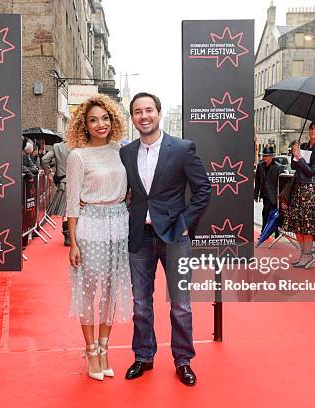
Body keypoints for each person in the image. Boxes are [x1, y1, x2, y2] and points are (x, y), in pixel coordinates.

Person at [120, 92, 211, 387]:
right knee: (140, 303)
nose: (143, 116)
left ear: (158, 113)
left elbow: (203, 190)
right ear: (132, 117)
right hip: (139, 237)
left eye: (149, 110)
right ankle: (144, 355)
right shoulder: (126, 152)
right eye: (137, 112)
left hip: (175, 236)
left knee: (181, 304)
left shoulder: (182, 149)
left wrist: (185, 223)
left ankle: (183, 360)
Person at [65, 94, 132, 382]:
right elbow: (71, 201)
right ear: (84, 124)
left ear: (113, 120)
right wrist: (73, 242)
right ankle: (90, 350)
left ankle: (105, 349)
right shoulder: (78, 156)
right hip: (90, 225)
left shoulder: (122, 151)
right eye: (93, 120)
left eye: (105, 118)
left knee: (111, 290)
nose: (100, 124)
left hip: (119, 225)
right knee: (89, 289)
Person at [283, 121, 315, 268]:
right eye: (311, 129)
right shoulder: (303, 146)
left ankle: (307, 254)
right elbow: (294, 166)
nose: (312, 131)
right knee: (297, 223)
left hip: (311, 190)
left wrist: (300, 157)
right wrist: (294, 153)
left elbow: (311, 171)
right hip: (299, 187)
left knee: (307, 224)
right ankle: (303, 253)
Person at [42, 140, 71, 246]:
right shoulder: (82, 145)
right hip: (80, 182)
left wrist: (49, 173)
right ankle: (73, 235)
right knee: (77, 209)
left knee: (66, 210)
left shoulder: (58, 146)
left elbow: (44, 159)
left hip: (64, 182)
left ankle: (68, 236)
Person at [254, 146, 283, 238]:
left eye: (267, 156)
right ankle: (264, 232)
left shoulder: (278, 167)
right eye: (264, 155)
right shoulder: (260, 166)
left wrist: (281, 197)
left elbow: (281, 183)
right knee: (265, 213)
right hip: (265, 195)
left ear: (271, 156)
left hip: (275, 196)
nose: (264, 157)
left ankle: (275, 233)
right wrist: (256, 194)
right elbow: (258, 181)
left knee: (274, 215)